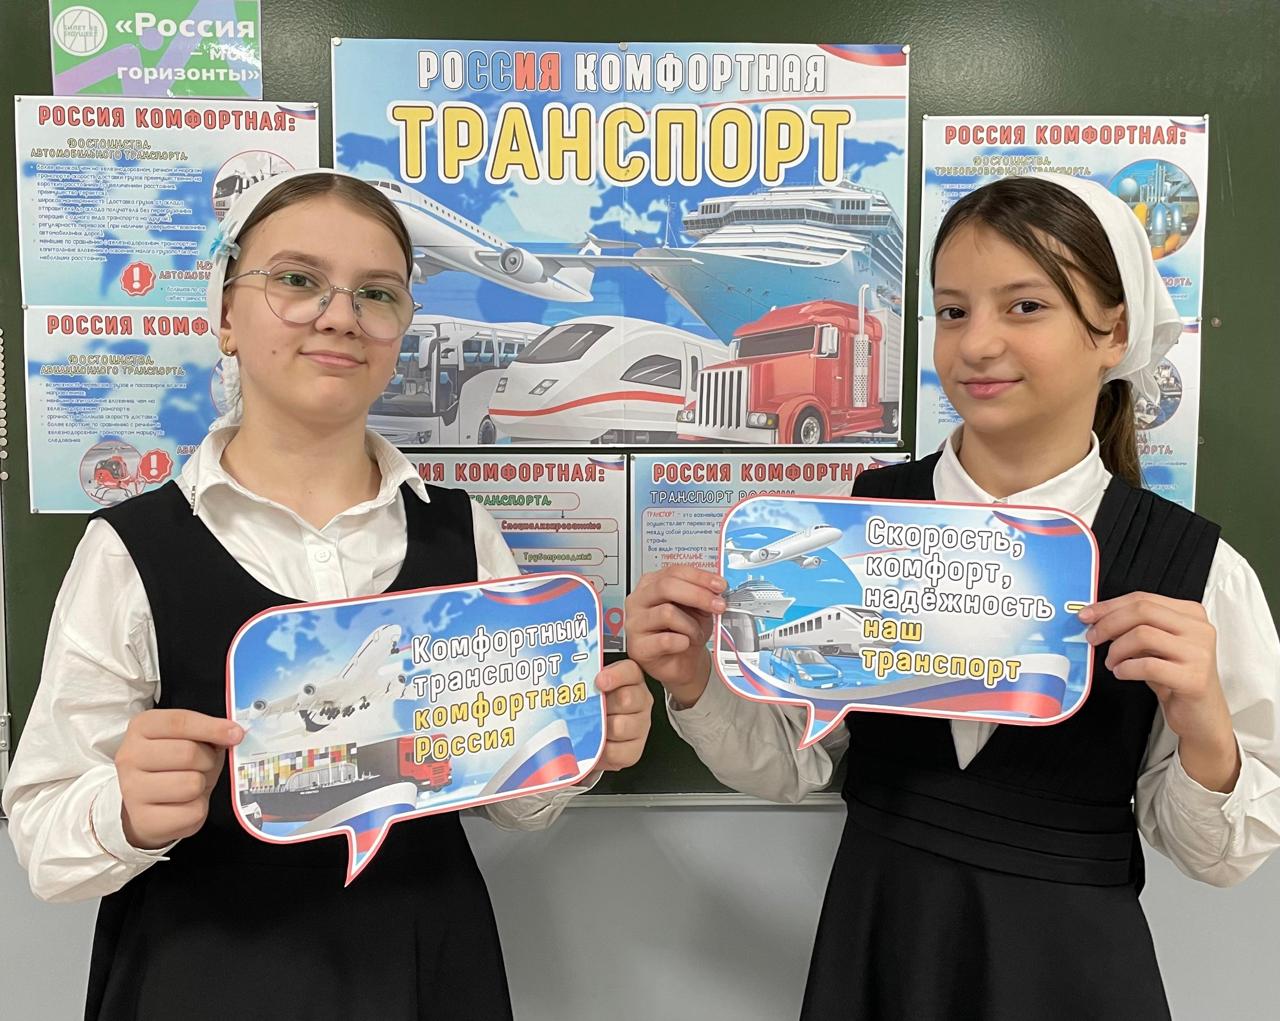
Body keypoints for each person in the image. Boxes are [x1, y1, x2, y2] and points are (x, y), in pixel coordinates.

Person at [626, 174, 1280, 1019]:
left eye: (1026, 306)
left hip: (1070, 974)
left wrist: (1205, 729)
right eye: (953, 310)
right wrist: (694, 680)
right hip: (881, 947)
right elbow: (794, 759)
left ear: (1114, 331)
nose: (977, 344)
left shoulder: (1194, 571)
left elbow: (1218, 856)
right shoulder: (860, 524)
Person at [4, 170, 653, 1020]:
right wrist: (123, 812)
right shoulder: (129, 550)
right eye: (297, 279)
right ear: (225, 315)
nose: (340, 315)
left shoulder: (463, 535)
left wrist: (574, 744)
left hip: (425, 966)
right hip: (204, 977)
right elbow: (45, 837)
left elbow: (516, 803)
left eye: (377, 293)